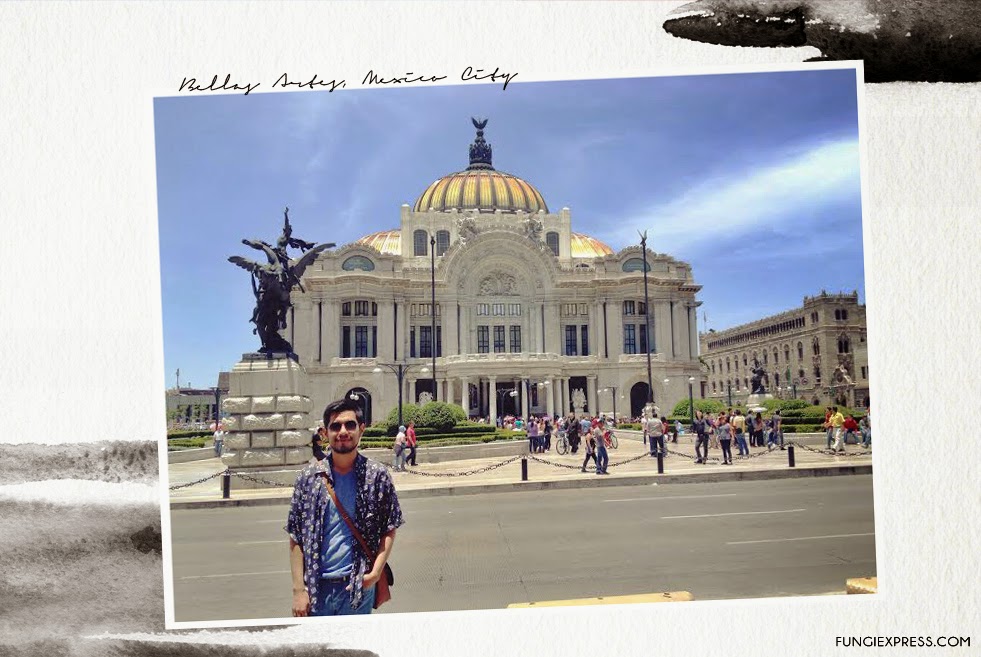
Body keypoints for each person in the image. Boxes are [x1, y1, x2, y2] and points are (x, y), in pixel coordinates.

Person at [287, 397, 403, 616]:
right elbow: (296, 537)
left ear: (361, 429)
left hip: (358, 586)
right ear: (325, 433)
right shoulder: (308, 478)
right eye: (335, 426)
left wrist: (375, 574)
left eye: (350, 425)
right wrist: (298, 590)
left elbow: (389, 528)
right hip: (316, 588)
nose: (343, 432)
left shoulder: (376, 475)